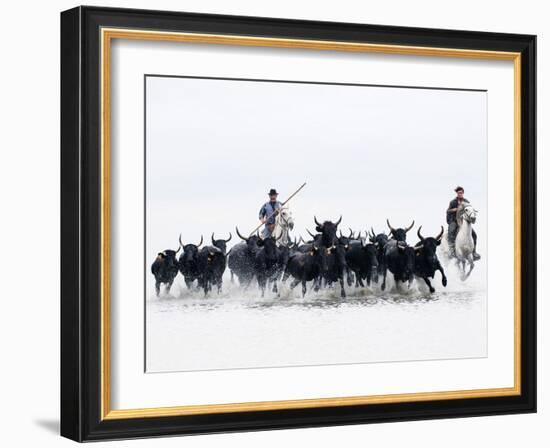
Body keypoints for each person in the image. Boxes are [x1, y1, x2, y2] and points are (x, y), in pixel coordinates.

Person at [446, 186, 480, 260]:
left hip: (464, 220)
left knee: (474, 234)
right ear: (457, 193)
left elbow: (469, 210)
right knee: (451, 231)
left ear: (463, 193)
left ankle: (474, 252)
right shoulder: (453, 202)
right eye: (458, 193)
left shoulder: (466, 201)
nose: (460, 194)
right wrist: (453, 210)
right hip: (454, 220)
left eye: (461, 193)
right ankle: (451, 250)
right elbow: (448, 211)